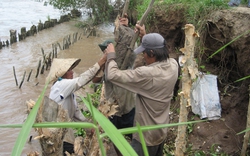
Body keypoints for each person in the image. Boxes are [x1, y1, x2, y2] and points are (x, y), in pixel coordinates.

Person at [104, 26, 179, 155]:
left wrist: (111, 55)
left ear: (151, 53)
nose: (143, 56)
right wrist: (145, 37)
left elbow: (112, 75)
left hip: (145, 136)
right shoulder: (173, 65)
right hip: (161, 129)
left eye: (144, 52)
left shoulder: (146, 74)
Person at [92, 14, 136, 156]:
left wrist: (125, 28)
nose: (105, 52)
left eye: (107, 50)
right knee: (115, 138)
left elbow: (132, 46)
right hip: (113, 110)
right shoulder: (106, 65)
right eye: (104, 51)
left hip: (129, 108)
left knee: (134, 136)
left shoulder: (127, 63)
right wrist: (103, 63)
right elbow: (95, 80)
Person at [46, 55, 106, 156]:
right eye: (69, 70)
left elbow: (76, 113)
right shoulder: (60, 85)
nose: (72, 72)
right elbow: (81, 81)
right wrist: (99, 64)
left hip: (64, 132)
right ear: (62, 73)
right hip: (57, 135)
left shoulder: (68, 91)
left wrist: (89, 127)